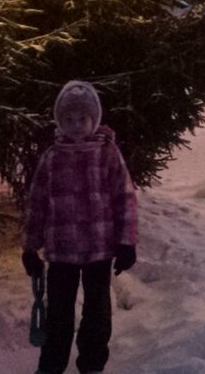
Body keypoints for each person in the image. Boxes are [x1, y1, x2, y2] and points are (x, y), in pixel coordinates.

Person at [22, 80, 138, 374]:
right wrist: (30, 248)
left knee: (97, 313)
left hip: (99, 249)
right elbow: (37, 204)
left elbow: (125, 197)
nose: (76, 125)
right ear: (60, 122)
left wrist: (127, 242)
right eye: (69, 119)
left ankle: (92, 365)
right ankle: (51, 366)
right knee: (59, 315)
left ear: (94, 119)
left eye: (82, 118)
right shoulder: (52, 157)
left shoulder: (108, 153)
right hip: (61, 253)